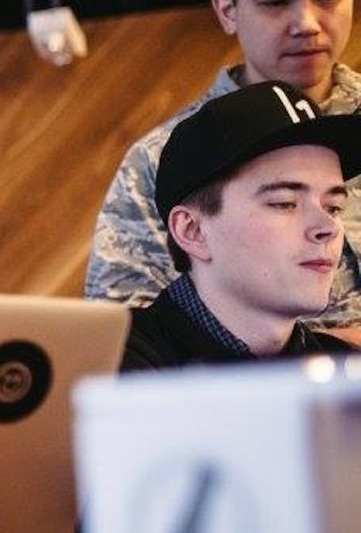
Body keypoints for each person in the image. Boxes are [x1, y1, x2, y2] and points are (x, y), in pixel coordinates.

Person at [87, 0, 361, 341]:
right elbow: (121, 336)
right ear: (227, 10)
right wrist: (325, 356)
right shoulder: (161, 158)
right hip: (247, 402)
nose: (307, 23)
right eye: (276, 1)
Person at [122, 80, 361, 370]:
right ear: (192, 231)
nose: (328, 227)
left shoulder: (344, 372)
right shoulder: (107, 368)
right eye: (284, 203)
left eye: (333, 207)